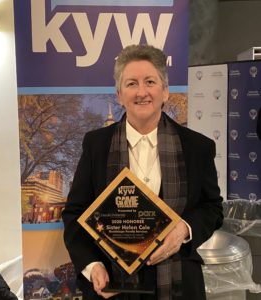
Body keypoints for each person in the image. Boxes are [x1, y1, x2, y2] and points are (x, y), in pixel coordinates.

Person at [62, 44, 223, 300]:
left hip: (179, 286)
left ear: (165, 91)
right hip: (114, 288)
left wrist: (184, 229)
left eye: (150, 81)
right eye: (131, 83)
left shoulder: (198, 147)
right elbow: (75, 213)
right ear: (119, 94)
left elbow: (212, 208)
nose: (141, 92)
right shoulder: (96, 145)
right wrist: (93, 266)